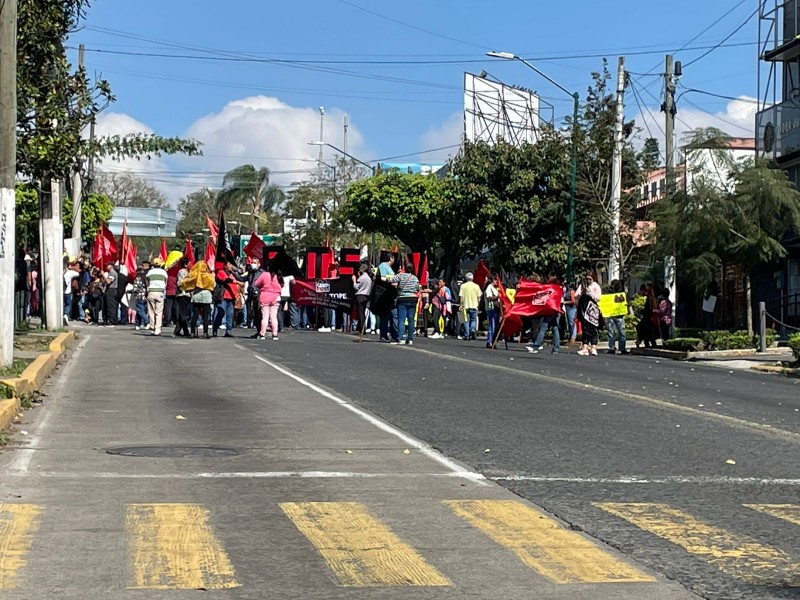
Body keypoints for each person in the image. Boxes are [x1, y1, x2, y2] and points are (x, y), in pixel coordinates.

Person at [528, 274, 562, 354]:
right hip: (556, 310)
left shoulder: (550, 288)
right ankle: (556, 348)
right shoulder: (558, 289)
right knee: (555, 328)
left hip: (550, 310)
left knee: (543, 327)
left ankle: (536, 345)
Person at [181, 260, 215, 338]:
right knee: (205, 315)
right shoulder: (209, 275)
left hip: (196, 295)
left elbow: (186, 282)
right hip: (206, 296)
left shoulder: (193, 274)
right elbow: (214, 285)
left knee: (195, 315)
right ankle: (205, 333)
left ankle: (192, 332)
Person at [390, 260, 421, 345]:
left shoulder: (400, 276)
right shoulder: (415, 278)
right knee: (411, 320)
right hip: (413, 299)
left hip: (403, 299)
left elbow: (391, 280)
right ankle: (410, 338)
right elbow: (418, 288)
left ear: (404, 268)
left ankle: (400, 338)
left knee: (401, 320)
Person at [253, 265, 282, 340]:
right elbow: (282, 285)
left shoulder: (264, 274)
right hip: (276, 297)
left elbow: (256, 283)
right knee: (274, 317)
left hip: (265, 297)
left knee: (265, 317)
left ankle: (262, 334)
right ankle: (275, 334)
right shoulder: (278, 275)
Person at [576, 273, 602, 356]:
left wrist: (591, 293)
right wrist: (582, 292)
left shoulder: (596, 286)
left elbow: (599, 298)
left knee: (593, 328)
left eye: (590, 279)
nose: (588, 281)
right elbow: (576, 295)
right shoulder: (583, 285)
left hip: (592, 309)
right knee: (585, 328)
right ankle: (585, 347)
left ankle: (594, 347)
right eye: (587, 279)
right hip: (583, 309)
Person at [377, 251, 399, 342]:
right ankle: (383, 335)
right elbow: (382, 278)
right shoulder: (383, 266)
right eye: (393, 258)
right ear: (390, 258)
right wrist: (392, 281)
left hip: (392, 295)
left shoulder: (389, 268)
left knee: (394, 315)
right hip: (385, 295)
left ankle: (395, 335)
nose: (394, 259)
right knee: (385, 315)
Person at [213, 262, 239, 338]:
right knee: (221, 313)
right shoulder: (221, 272)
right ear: (225, 266)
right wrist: (236, 281)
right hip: (223, 297)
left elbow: (234, 286)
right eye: (229, 264)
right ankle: (215, 328)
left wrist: (237, 296)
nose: (231, 266)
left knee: (230, 315)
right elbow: (226, 280)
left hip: (231, 298)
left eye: (232, 265)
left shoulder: (232, 274)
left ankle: (228, 331)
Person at [605, 279, 629, 355]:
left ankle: (618, 348)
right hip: (612, 314)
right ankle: (614, 348)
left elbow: (626, 302)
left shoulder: (621, 293)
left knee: (619, 332)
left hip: (618, 315)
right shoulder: (609, 293)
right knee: (613, 332)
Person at [145, 257, 168, 336]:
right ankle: (157, 329)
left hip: (151, 292)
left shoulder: (150, 272)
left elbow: (147, 281)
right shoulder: (164, 272)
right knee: (159, 312)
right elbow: (166, 282)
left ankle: (152, 327)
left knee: (151, 312)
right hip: (160, 293)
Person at [458, 272, 481, 341]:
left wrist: (461, 305)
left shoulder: (463, 286)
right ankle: (473, 329)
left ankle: (467, 335)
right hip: (474, 306)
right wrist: (478, 304)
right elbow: (479, 297)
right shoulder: (476, 286)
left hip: (466, 306)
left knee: (466, 320)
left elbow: (461, 297)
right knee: (473, 320)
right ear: (472, 278)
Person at [635, 283, 658, 348]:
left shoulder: (649, 297)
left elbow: (648, 308)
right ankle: (649, 343)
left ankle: (646, 343)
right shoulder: (649, 297)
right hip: (647, 317)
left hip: (648, 318)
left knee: (645, 330)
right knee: (645, 330)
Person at [173, 258, 192, 337]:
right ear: (185, 264)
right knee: (183, 314)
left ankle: (177, 330)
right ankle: (185, 331)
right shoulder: (182, 272)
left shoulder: (188, 272)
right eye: (189, 263)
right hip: (182, 294)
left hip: (186, 295)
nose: (191, 264)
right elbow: (180, 283)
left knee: (183, 313)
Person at [352, 264, 372, 335]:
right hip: (366, 296)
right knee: (363, 312)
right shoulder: (369, 278)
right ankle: (362, 328)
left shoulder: (362, 278)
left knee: (360, 313)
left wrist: (354, 281)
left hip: (360, 296)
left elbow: (356, 287)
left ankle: (362, 329)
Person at [484, 276, 500, 348]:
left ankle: (494, 341)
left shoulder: (494, 288)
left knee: (496, 326)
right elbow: (489, 297)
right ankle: (489, 341)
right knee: (492, 326)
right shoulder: (489, 288)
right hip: (491, 309)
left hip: (496, 309)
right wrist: (497, 297)